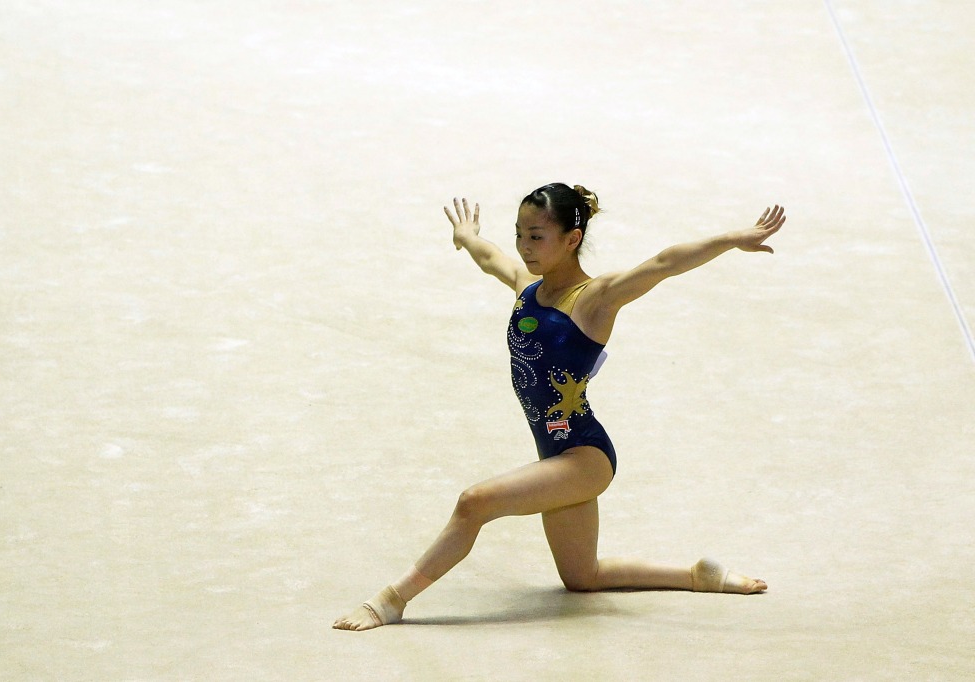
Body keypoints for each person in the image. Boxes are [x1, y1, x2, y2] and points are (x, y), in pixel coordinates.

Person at [333, 183, 784, 631]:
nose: (525, 247)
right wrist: (467, 238)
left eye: (537, 236)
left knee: (474, 503)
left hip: (583, 456)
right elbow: (493, 259)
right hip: (556, 451)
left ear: (573, 239)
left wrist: (732, 240)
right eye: (520, 234)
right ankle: (695, 576)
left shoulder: (595, 299)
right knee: (582, 579)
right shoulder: (529, 289)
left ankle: (390, 601)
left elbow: (664, 263)